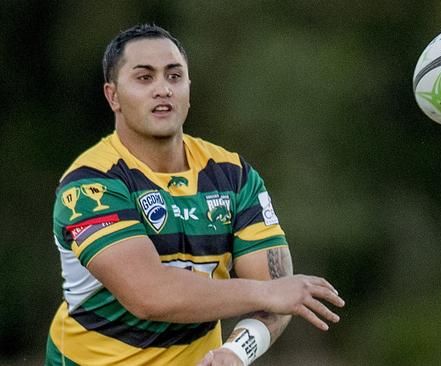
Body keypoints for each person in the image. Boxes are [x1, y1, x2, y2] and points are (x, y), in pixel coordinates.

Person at [45, 23, 345, 366]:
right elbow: (149, 295)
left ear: (188, 87)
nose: (163, 89)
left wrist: (235, 352)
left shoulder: (233, 176)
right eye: (145, 78)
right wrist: (267, 292)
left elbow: (276, 295)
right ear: (113, 96)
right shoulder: (91, 183)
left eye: (174, 76)